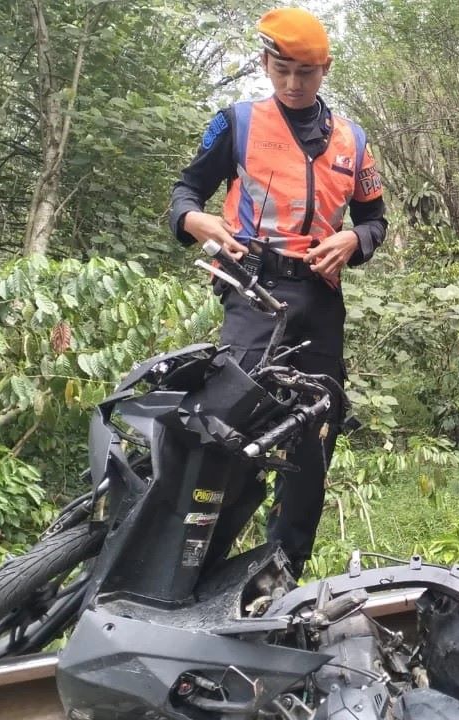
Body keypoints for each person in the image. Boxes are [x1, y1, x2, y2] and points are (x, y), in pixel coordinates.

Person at [168, 7, 387, 577]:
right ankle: (195, 566)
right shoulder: (237, 123)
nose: (292, 83)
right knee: (230, 428)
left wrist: (353, 239)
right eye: (281, 69)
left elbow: (375, 220)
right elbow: (186, 191)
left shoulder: (353, 141)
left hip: (319, 300)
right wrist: (194, 219)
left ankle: (282, 571)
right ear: (265, 64)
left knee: (314, 435)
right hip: (252, 292)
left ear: (325, 69)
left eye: (305, 72)